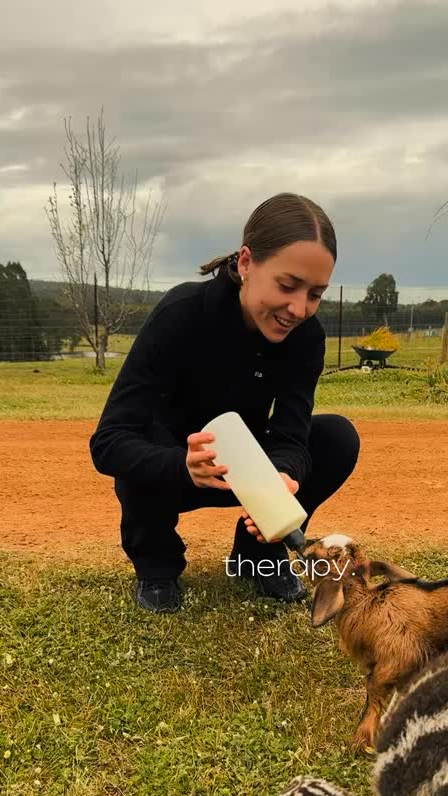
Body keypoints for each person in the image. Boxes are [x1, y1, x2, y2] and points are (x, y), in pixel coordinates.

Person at [89, 192, 360, 613]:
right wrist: (181, 464)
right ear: (247, 263)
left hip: (245, 471)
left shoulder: (306, 337)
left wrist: (286, 476)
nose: (299, 308)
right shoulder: (180, 315)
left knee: (338, 437)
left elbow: (291, 435)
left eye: (315, 294)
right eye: (288, 286)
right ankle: (156, 563)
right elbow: (108, 442)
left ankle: (257, 556)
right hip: (173, 470)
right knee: (137, 452)